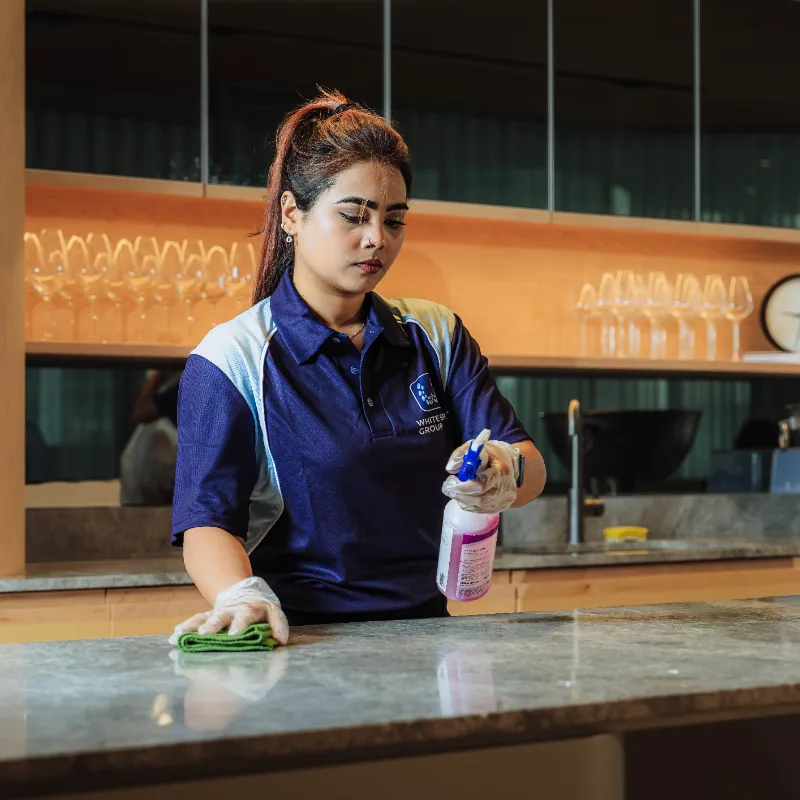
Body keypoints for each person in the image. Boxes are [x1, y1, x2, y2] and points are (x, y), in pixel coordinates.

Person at [170, 90, 546, 646]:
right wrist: (240, 594)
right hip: (303, 640)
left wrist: (505, 470)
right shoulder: (233, 357)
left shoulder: (435, 334)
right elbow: (206, 521)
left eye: (394, 221)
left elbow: (531, 468)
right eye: (353, 215)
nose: (377, 239)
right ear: (292, 214)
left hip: (430, 634)